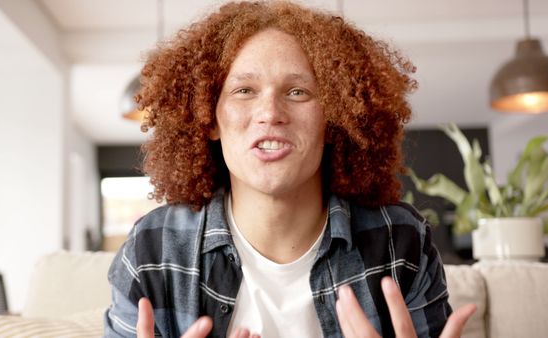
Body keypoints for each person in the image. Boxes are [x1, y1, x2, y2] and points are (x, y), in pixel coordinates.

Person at [104, 1, 476, 337]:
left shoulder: (402, 241)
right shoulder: (152, 248)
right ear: (210, 119)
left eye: (297, 92)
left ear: (334, 120)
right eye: (244, 91)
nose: (270, 113)